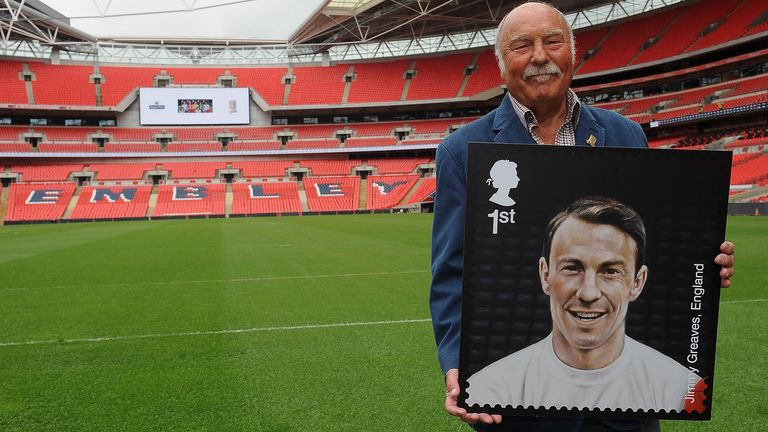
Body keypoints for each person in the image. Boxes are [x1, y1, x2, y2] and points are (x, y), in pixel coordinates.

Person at [429, 2, 736, 431]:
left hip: (626, 410)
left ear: (573, 55)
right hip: (518, 409)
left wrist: (703, 264)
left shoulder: (625, 134)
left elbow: (655, 244)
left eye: (552, 41)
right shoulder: (461, 151)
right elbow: (450, 274)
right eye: (521, 46)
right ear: (501, 67)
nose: (539, 55)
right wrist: (458, 365)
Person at [465, 197, 704, 412]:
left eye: (610, 271)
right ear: (545, 275)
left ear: (637, 283)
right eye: (572, 268)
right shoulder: (488, 388)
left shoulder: (682, 388)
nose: (588, 293)